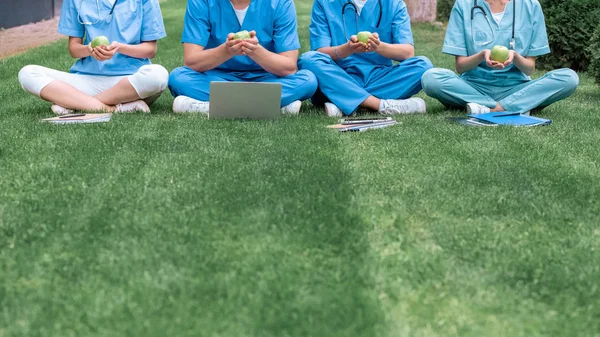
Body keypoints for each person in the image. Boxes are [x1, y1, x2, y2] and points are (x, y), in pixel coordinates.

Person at [421, 0, 579, 115]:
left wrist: (515, 57)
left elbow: (529, 68)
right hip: (473, 86)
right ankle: (516, 106)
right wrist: (482, 56)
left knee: (569, 78)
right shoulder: (464, 5)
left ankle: (490, 109)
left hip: (516, 88)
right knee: (431, 78)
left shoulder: (531, 6)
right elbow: (461, 66)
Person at [18, 0, 169, 114]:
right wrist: (88, 50)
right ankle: (112, 109)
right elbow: (74, 49)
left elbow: (150, 49)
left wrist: (119, 48)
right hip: (88, 80)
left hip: (130, 82)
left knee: (158, 75)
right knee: (27, 73)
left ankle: (76, 103)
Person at [168, 0, 318, 115]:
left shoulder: (280, 3)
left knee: (308, 80)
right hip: (217, 78)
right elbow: (192, 61)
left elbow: (288, 67)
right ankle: (272, 106)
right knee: (178, 77)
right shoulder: (201, 2)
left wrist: (256, 51)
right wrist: (226, 50)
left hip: (265, 79)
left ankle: (211, 106)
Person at [298, 0, 433, 117]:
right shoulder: (324, 3)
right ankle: (380, 105)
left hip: (377, 78)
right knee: (308, 59)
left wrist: (378, 47)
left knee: (423, 66)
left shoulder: (394, 3)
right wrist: (348, 48)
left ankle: (343, 101)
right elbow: (320, 52)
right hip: (339, 74)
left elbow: (407, 53)